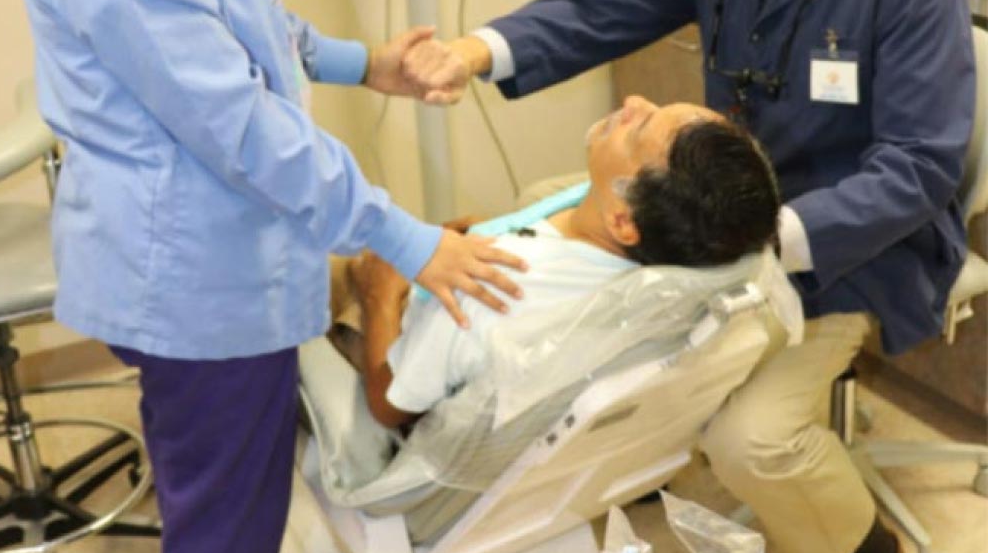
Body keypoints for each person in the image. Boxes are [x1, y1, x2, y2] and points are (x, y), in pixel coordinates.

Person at [402, 0, 976, 553]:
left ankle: (863, 549)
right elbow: (614, 8)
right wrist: (479, 50)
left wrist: (754, 241)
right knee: (546, 239)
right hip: (716, 219)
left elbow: (920, 168)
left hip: (849, 246)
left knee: (754, 438)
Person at [19, 0, 525, 553]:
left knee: (230, 505)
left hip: (212, 255)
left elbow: (251, 21)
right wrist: (408, 241)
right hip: (192, 282)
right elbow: (243, 131)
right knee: (225, 533)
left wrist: (366, 63)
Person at [331, 97, 780, 429]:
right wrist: (496, 230)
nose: (631, 103)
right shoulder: (654, 244)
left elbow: (391, 404)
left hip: (384, 345)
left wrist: (380, 297)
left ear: (623, 221)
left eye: (637, 129)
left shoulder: (491, 289)